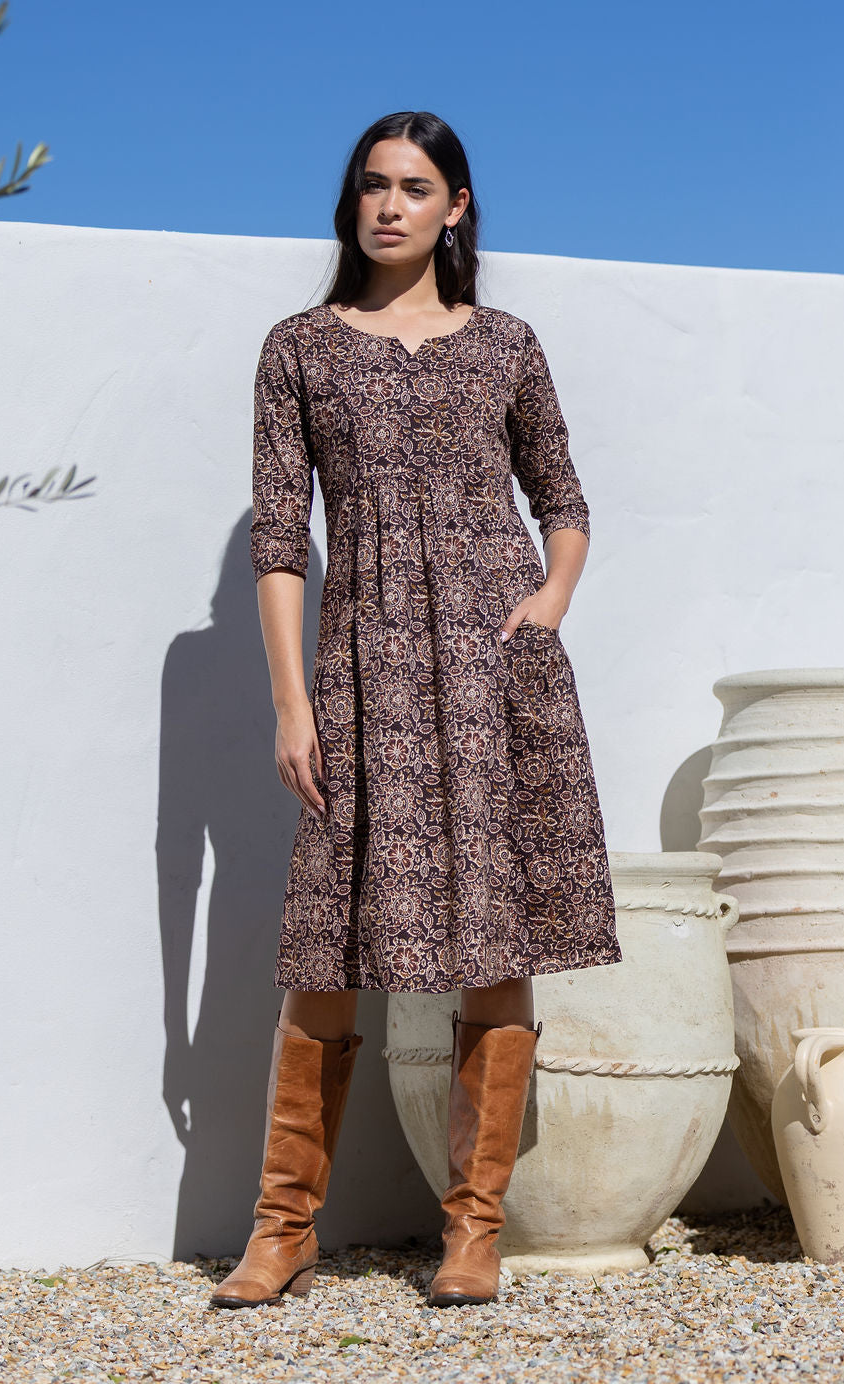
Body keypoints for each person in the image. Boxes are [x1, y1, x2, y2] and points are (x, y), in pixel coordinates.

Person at [210, 110, 623, 1311]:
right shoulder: (299, 348)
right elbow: (279, 538)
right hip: (359, 670)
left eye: (414, 187)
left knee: (495, 939)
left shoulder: (505, 344)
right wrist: (291, 700)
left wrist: (547, 601)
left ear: (455, 209)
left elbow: (562, 496)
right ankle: (283, 1228)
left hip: (495, 670)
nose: (388, 206)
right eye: (372, 185)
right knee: (328, 943)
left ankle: (472, 1231)